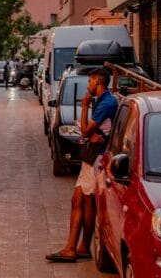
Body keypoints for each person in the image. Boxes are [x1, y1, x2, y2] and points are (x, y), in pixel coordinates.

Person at [47, 67, 118, 263]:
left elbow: (87, 131)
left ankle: (75, 248)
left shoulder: (106, 103)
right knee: (79, 199)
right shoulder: (104, 101)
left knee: (85, 200)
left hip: (96, 158)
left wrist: (85, 107)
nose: (88, 86)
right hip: (92, 157)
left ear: (98, 81)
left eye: (90, 82)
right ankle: (79, 246)